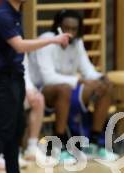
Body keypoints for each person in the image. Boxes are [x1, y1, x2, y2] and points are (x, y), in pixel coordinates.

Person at [0, 0, 70, 173]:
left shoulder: (15, 13)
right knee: (3, 129)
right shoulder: (2, 15)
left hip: (15, 76)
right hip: (2, 78)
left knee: (16, 127)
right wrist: (53, 40)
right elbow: (19, 46)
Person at [30, 9, 117, 163]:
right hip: (40, 91)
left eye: (73, 29)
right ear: (58, 27)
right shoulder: (47, 41)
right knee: (64, 88)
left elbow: (88, 70)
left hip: (68, 88)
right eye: (66, 28)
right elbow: (48, 78)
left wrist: (101, 78)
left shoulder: (77, 43)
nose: (69, 32)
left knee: (106, 86)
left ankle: (95, 143)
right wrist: (79, 80)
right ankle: (59, 146)